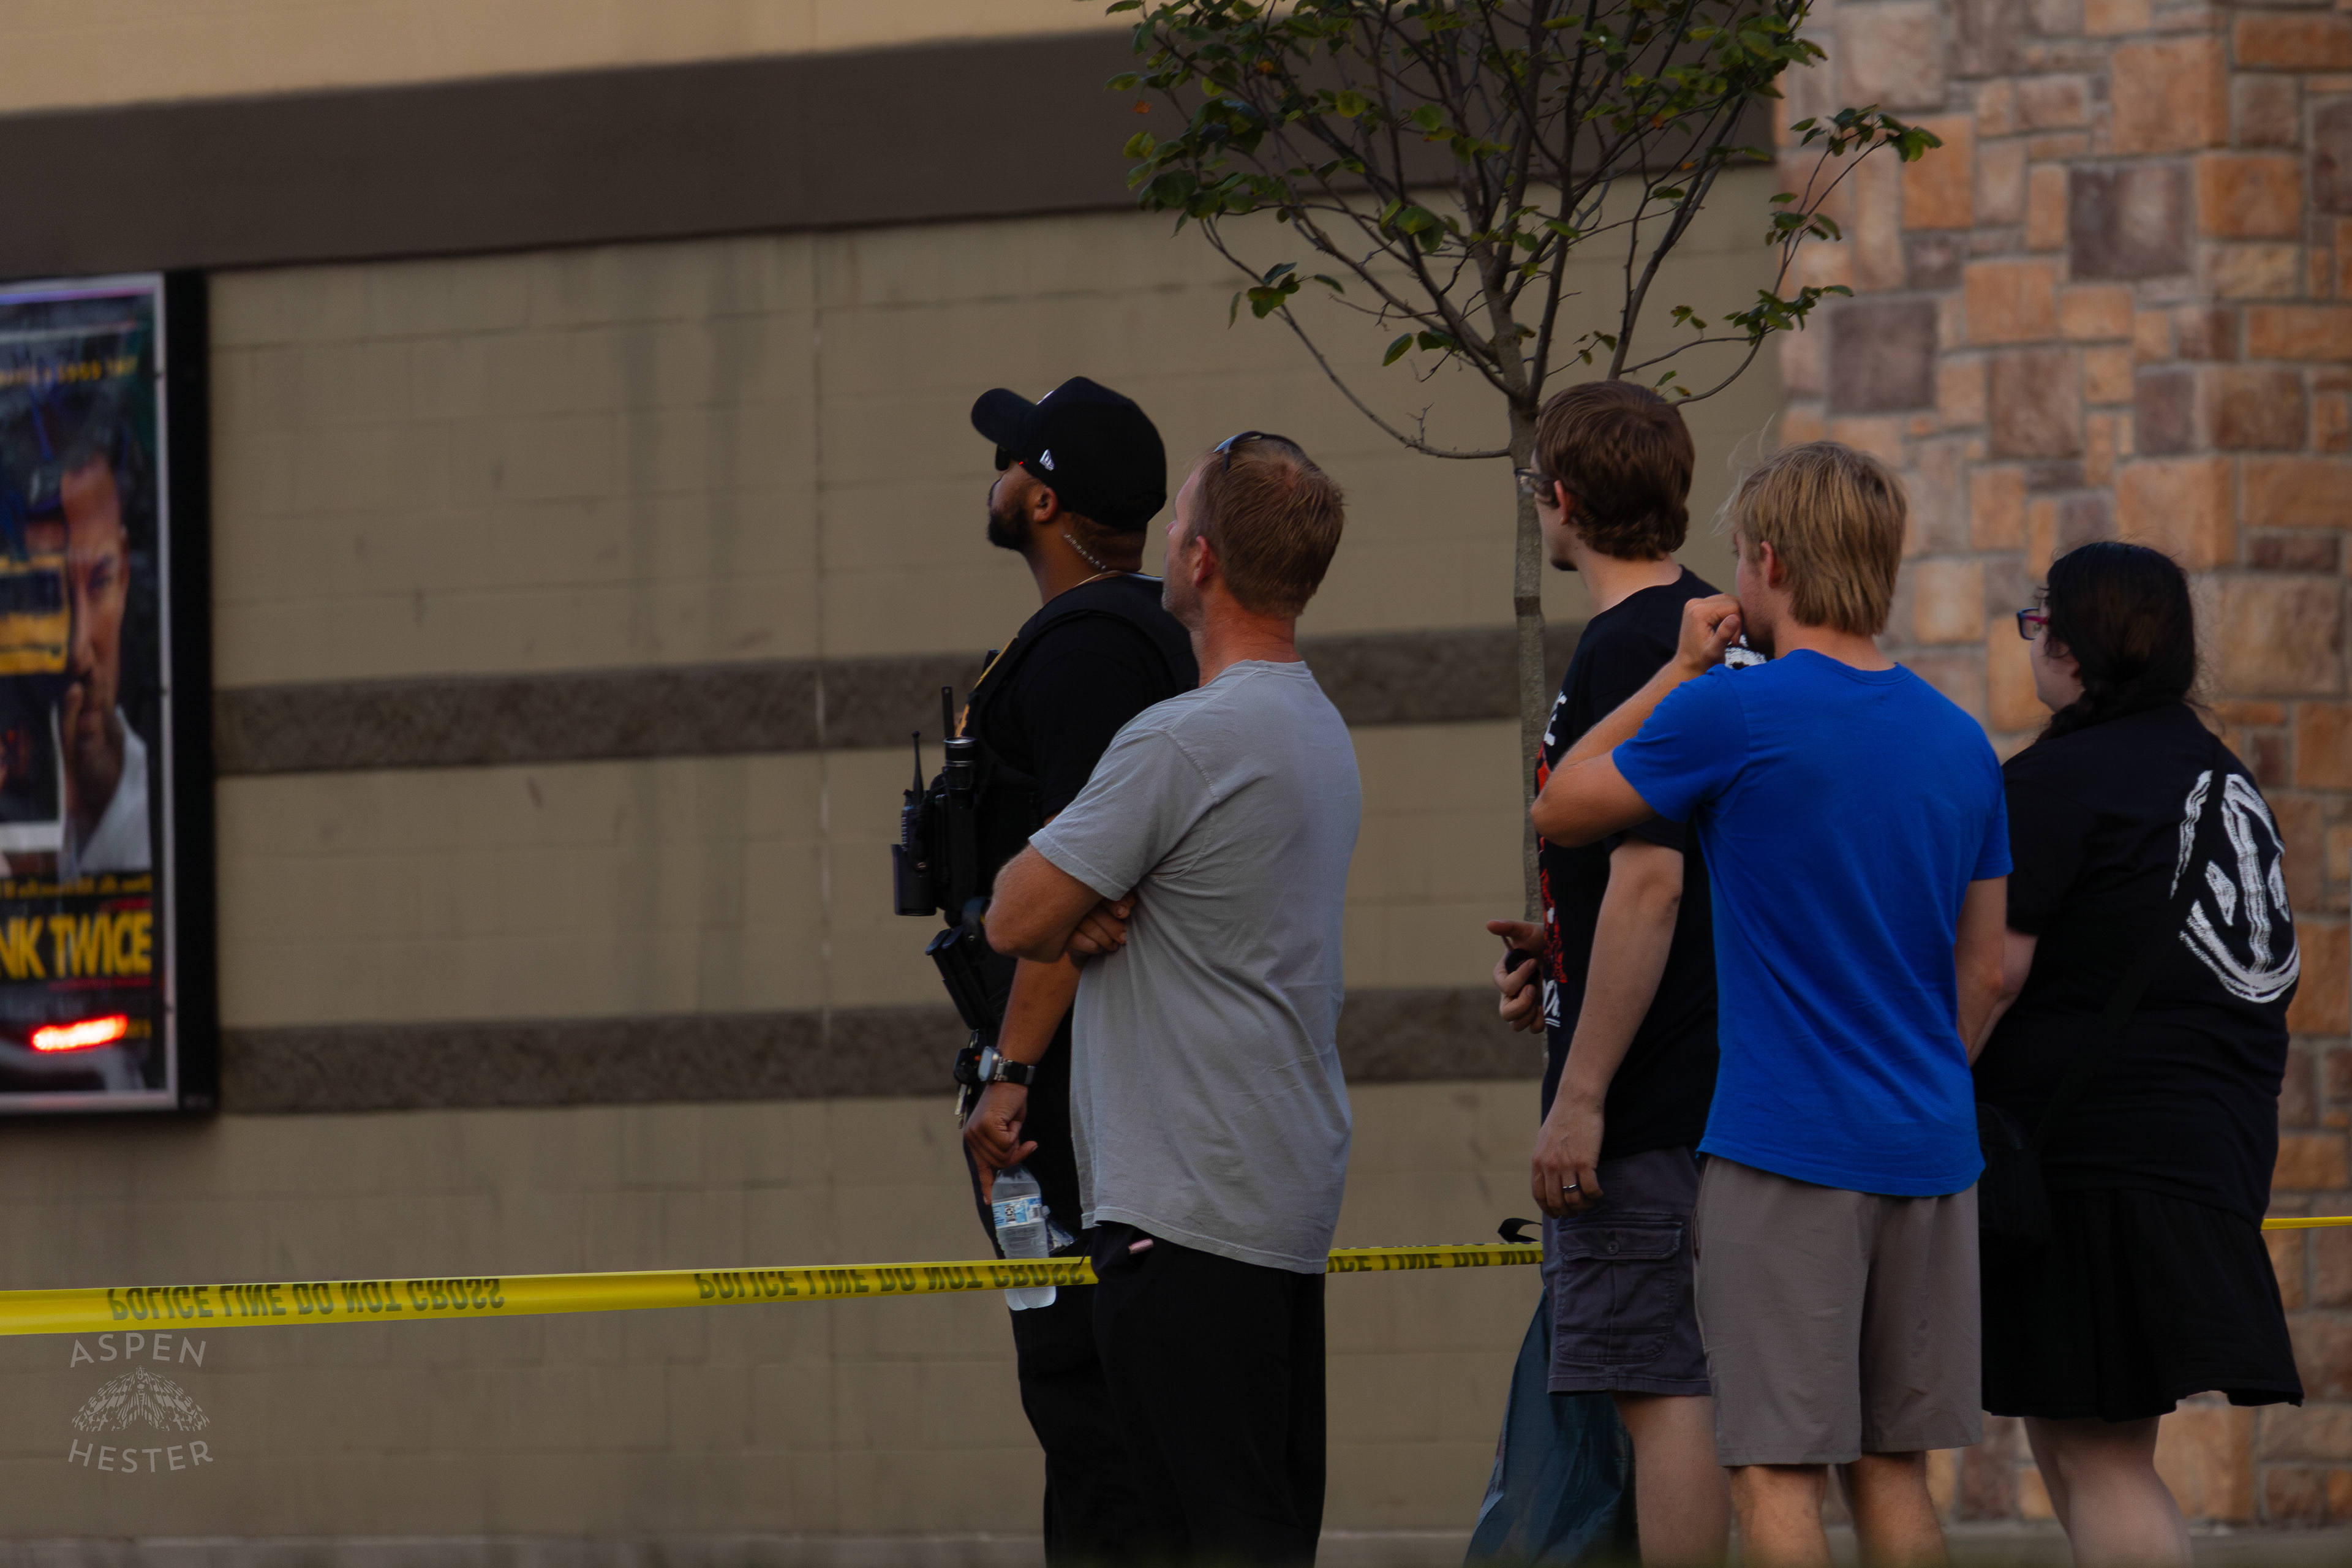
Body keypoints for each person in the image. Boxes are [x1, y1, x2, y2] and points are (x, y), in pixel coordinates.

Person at [1531, 440, 2010, 1568]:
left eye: (1739, 558)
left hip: (1786, 1149)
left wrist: (1679, 671)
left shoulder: (1736, 714)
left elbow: (1561, 808)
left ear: (1770, 564)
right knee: (1890, 1471)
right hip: (1933, 1149)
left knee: (1774, 1472)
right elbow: (1984, 971)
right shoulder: (1961, 741)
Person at [986, 432, 1357, 1566]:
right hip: (1279, 1194)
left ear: (1198, 559)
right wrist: (1101, 889)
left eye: (1180, 521)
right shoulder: (1315, 725)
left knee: (1197, 1533)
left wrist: (1084, 889)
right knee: (1263, 1524)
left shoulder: (1182, 742)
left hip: (1183, 1212)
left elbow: (1011, 915)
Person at [1973, 541, 2303, 1568]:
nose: (2033, 641)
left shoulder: (2059, 783)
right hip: (2207, 1148)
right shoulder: (2219, 774)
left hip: (2086, 1161)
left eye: (2040, 623)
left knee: (2098, 1454)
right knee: (2083, 1441)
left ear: (2073, 646)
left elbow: (1989, 974)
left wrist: (1924, 1091)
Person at [1483, 381, 1728, 1564]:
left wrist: (1581, 1097)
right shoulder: (1720, 635)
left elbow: (1652, 884)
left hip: (1648, 1106)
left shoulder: (1635, 649)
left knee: (1662, 1393)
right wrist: (1560, 953)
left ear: (1561, 502)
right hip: (1725, 1082)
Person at [953, 376, 1197, 1563]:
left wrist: (1008, 1074)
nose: (993, 472)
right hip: (1089, 1095)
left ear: (1040, 496)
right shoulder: (1134, 633)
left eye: (1008, 458)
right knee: (1090, 1410)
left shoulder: (1091, 650)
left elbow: (1080, 890)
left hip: (1062, 1111)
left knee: (1090, 1408)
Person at [58, 454, 148, 877]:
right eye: (49, 597)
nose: (79, 650)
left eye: (100, 582)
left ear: (126, 569)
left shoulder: (161, 807)